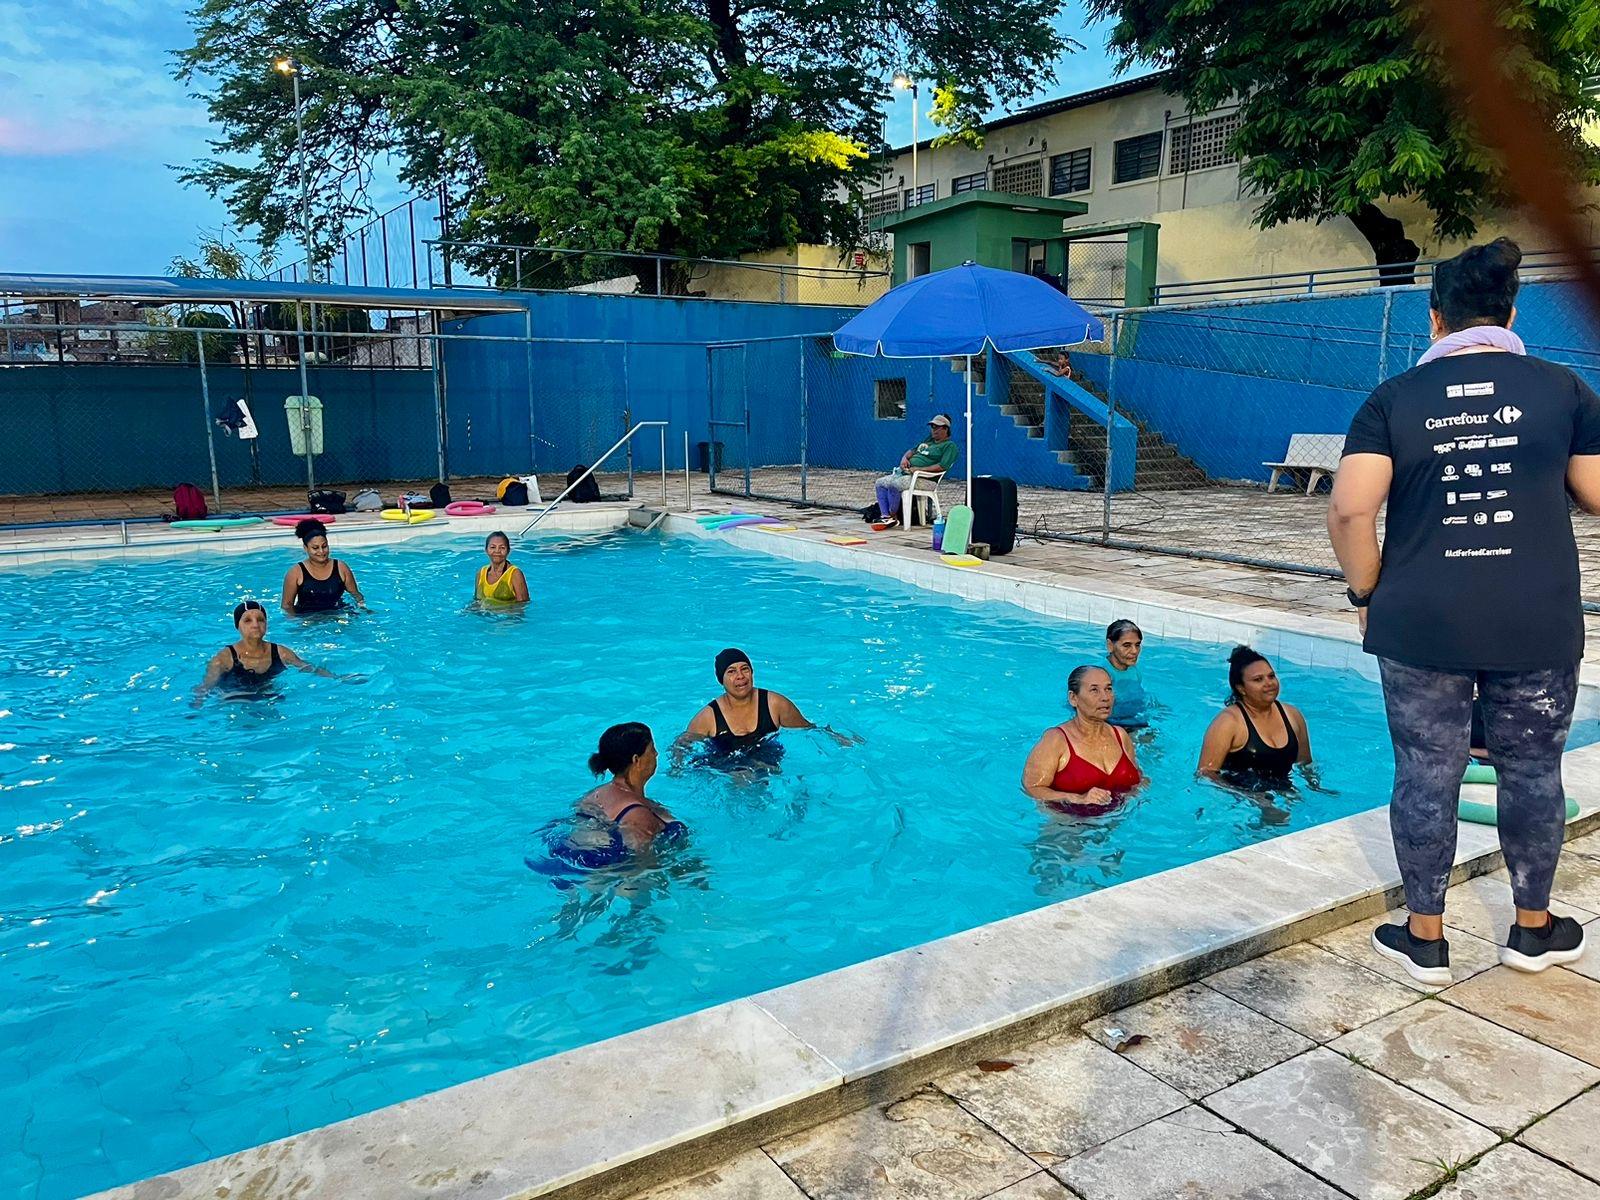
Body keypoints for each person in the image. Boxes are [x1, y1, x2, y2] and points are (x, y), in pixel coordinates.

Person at [1329, 237, 1600, 982]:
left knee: (1426, 771)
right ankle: (1533, 931)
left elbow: (1352, 513)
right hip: (1536, 619)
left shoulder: (1392, 399)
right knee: (1532, 771)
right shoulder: (1565, 390)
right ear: (1512, 312)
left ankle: (1425, 938)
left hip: (1420, 621)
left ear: (1435, 317)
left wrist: (1366, 593)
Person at [1022, 664, 1143, 815]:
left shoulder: (1120, 735)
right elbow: (1032, 788)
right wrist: (1077, 798)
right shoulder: (1056, 740)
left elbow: (1137, 778)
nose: (1105, 697)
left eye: (1108, 689)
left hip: (1119, 822)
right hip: (1070, 826)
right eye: (1094, 690)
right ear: (1073, 698)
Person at [1197, 646, 1312, 790]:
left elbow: (1305, 764)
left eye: (1271, 676)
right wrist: (1251, 797)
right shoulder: (1228, 723)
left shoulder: (1293, 716)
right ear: (1241, 688)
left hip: (1281, 792)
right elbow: (1205, 774)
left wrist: (1315, 788)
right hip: (1238, 801)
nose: (1269, 683)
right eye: (1258, 679)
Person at [681, 648, 813, 766]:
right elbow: (681, 747)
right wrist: (677, 768)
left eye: (745, 669)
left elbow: (809, 730)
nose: (740, 676)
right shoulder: (708, 718)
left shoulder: (775, 704)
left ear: (751, 672)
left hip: (767, 757)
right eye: (731, 671)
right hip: (725, 765)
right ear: (721, 679)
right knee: (743, 776)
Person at [194, 600, 332, 702]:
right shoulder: (224, 658)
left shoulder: (281, 653)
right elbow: (205, 688)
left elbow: (309, 668)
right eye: (247, 620)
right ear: (238, 626)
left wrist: (337, 679)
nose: (255, 625)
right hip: (233, 701)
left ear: (266, 624)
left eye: (260, 620)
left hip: (268, 699)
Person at [577, 723, 683, 853]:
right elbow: (641, 867)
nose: (656, 754)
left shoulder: (594, 796)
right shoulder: (638, 816)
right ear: (636, 760)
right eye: (652, 749)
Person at [872, 414, 959, 527]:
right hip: (906, 473)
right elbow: (912, 451)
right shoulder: (929, 440)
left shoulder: (950, 446)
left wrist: (919, 469)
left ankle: (892, 516)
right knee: (880, 483)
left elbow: (942, 466)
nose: (933, 430)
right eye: (932, 427)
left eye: (937, 427)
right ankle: (886, 517)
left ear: (946, 429)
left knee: (894, 485)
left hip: (924, 479)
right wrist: (904, 459)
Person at [281, 518, 364, 615]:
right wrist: (296, 623)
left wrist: (362, 609)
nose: (321, 551)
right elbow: (287, 605)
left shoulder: (341, 568)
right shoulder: (295, 573)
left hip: (338, 616)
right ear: (305, 548)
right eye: (315, 548)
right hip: (309, 620)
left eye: (324, 546)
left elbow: (356, 595)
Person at [1104, 619, 1147, 728]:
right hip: (1111, 724)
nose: (1134, 651)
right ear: (1110, 645)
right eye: (1127, 645)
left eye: (1137, 645)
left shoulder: (1134, 670)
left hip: (1134, 720)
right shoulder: (1101, 674)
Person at [474, 531, 529, 603]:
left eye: (502, 547)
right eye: (493, 547)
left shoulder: (515, 574)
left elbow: (523, 605)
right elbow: (476, 601)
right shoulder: (481, 573)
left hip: (507, 614)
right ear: (486, 550)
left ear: (508, 551)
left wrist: (496, 610)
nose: (497, 551)